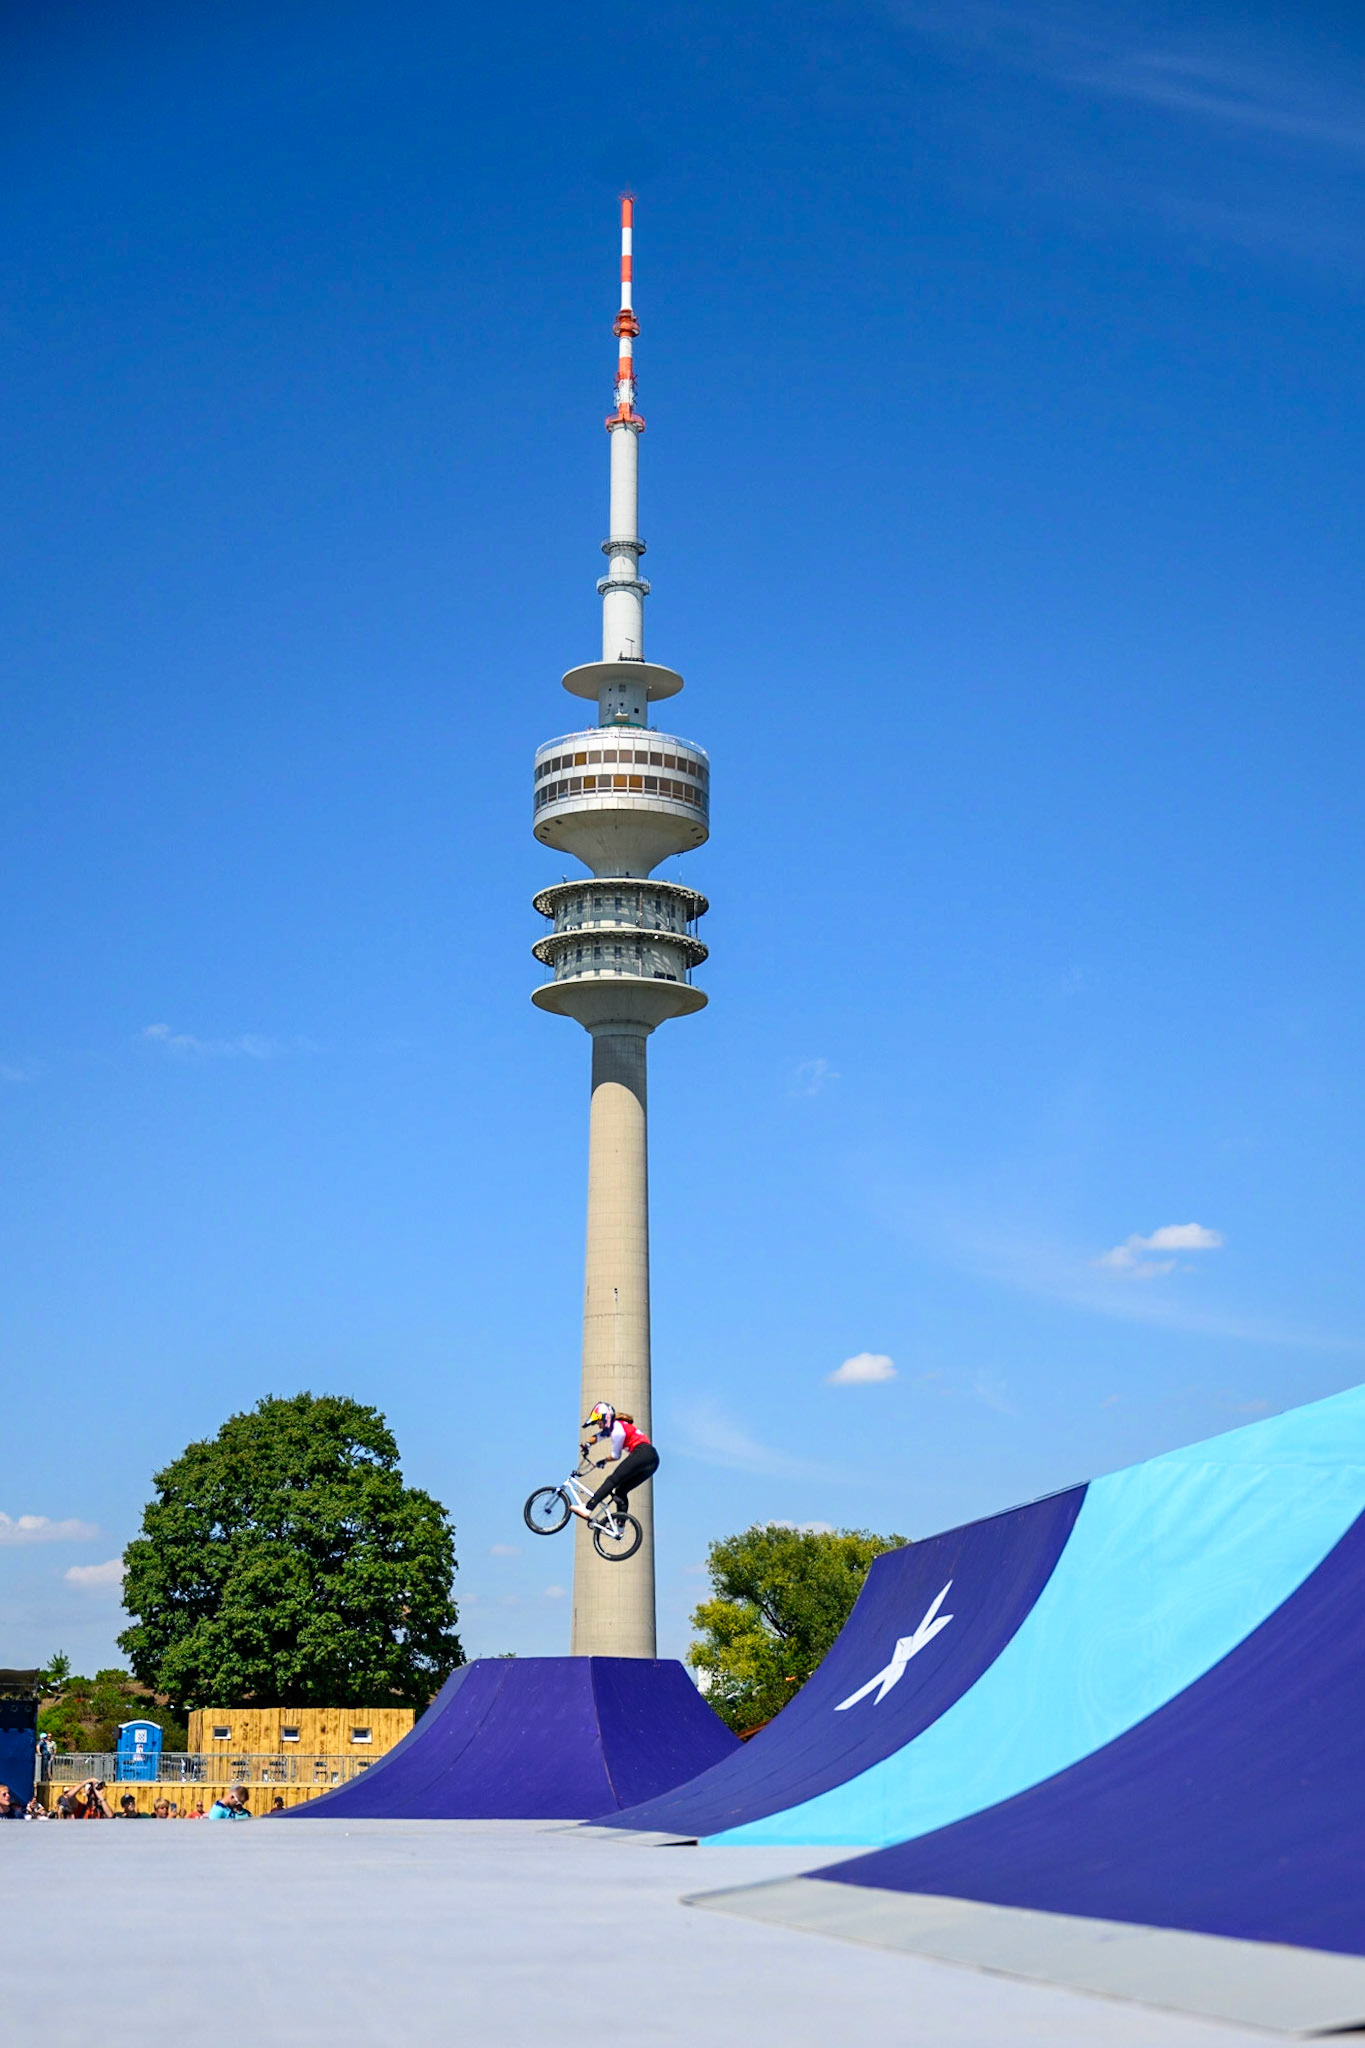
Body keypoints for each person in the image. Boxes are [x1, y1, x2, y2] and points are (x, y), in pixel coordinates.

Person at [570, 1402, 659, 1522]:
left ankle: (588, 1508)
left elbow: (616, 1455)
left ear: (606, 1419)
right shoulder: (616, 1426)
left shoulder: (618, 1431)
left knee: (612, 1480)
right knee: (621, 1491)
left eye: (599, 1423)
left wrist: (604, 1460)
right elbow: (597, 1437)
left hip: (642, 1453)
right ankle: (620, 1527)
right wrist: (587, 1444)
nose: (599, 1426)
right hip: (652, 1460)